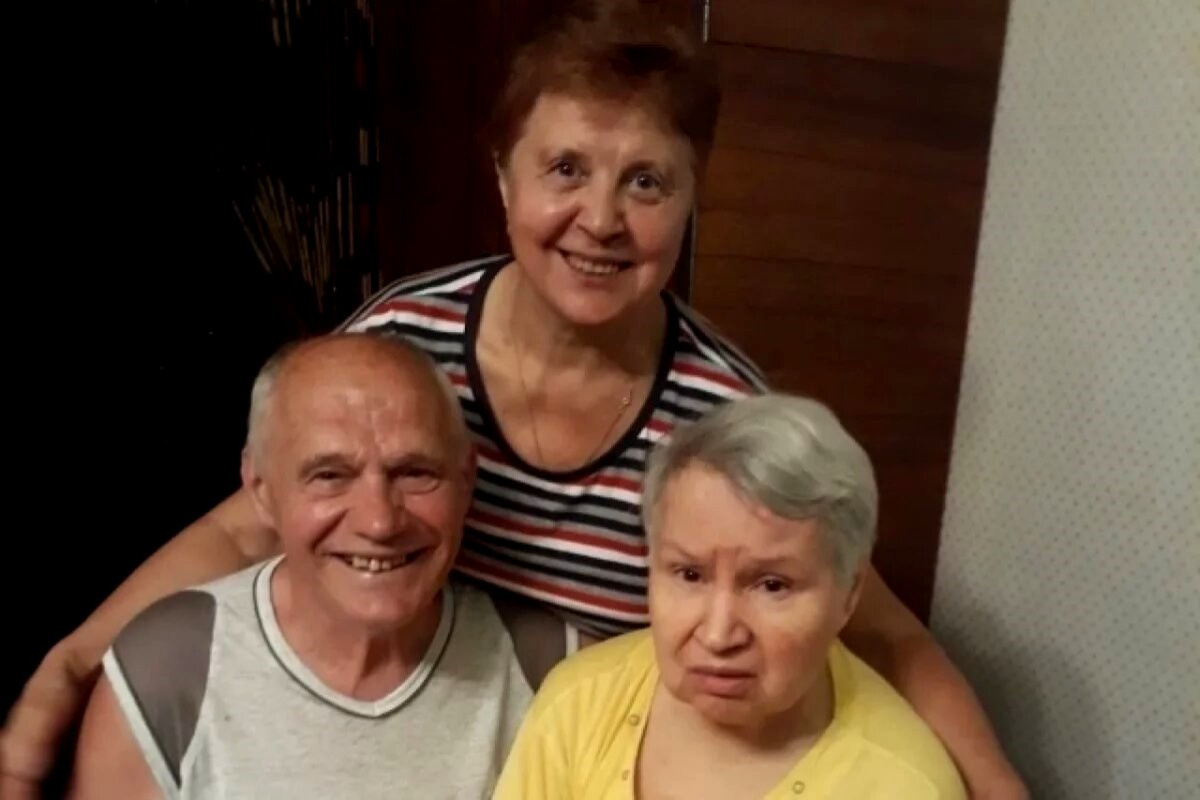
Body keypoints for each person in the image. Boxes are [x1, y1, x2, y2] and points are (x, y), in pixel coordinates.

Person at [1, 2, 1026, 797]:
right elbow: (254, 521)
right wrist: (75, 661)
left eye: (647, 182)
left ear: (692, 196)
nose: (600, 219)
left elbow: (873, 624)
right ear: (504, 181)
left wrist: (1001, 787)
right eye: (565, 169)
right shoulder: (403, 342)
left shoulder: (719, 413)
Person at [66, 333, 567, 799]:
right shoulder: (171, 672)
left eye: (415, 472)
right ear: (261, 490)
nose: (379, 521)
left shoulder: (549, 671)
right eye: (329, 475)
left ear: (465, 480)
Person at [495, 394, 968, 799]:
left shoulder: (903, 785)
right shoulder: (577, 706)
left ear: (850, 594)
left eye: (772, 585)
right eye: (689, 575)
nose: (719, 635)